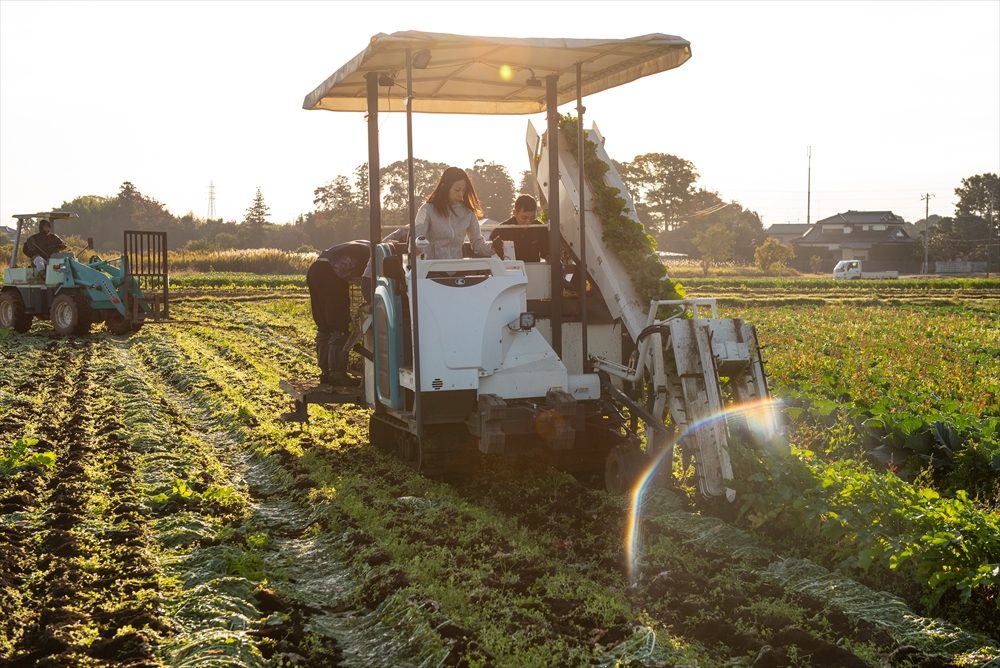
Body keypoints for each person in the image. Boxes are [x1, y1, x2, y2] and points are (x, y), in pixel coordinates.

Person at [307, 240, 371, 385]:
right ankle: (337, 375)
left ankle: (326, 373)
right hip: (330, 274)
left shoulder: (365, 246)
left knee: (324, 326)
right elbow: (368, 284)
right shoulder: (378, 255)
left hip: (315, 270)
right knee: (340, 325)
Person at [414, 167, 496, 260]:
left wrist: (492, 247)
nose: (461, 194)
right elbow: (417, 239)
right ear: (444, 187)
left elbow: (477, 241)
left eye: (463, 190)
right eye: (457, 190)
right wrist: (414, 248)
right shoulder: (427, 209)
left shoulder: (468, 212)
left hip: (457, 267)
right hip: (432, 268)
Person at [488, 194, 549, 262]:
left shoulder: (540, 229)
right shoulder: (500, 231)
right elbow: (491, 255)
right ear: (514, 213)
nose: (528, 222)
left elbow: (547, 253)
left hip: (534, 270)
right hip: (508, 270)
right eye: (524, 218)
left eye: (532, 217)